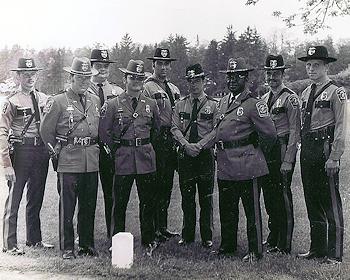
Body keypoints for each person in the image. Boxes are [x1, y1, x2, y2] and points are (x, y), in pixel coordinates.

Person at [205, 58, 277, 262]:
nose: (232, 79)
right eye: (229, 76)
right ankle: (228, 246)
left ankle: (255, 251)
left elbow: (270, 134)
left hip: (248, 165)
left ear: (246, 78)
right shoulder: (223, 102)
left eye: (237, 76)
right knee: (227, 208)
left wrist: (254, 149)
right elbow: (217, 130)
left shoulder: (254, 104)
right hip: (226, 164)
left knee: (252, 212)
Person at [40, 57, 100, 259]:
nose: (84, 81)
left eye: (87, 77)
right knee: (67, 208)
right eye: (80, 77)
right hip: (69, 160)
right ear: (71, 77)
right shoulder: (58, 101)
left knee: (88, 205)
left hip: (90, 160)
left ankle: (86, 246)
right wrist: (55, 152)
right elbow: (45, 130)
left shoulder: (95, 100)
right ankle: (67, 248)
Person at [99, 59, 161, 255]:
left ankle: (149, 240)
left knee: (148, 201)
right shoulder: (112, 104)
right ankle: (116, 239)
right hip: (123, 159)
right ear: (125, 79)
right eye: (132, 77)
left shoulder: (151, 103)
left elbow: (156, 131)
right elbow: (104, 133)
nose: (136, 81)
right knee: (120, 203)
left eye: (140, 78)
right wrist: (115, 153)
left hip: (145, 159)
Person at [297, 46, 346, 265]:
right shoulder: (306, 92)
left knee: (330, 201)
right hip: (307, 149)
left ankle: (334, 253)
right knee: (312, 199)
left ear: (326, 66)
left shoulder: (336, 92)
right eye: (308, 65)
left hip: (325, 147)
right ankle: (317, 248)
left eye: (316, 65)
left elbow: (341, 126)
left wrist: (334, 156)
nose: (311, 69)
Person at [0, 58, 54, 255]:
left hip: (40, 152)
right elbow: (2, 133)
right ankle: (9, 243)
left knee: (36, 197)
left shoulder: (44, 98)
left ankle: (34, 239)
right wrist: (6, 164)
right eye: (25, 74)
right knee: (14, 198)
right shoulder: (12, 102)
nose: (30, 78)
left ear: (37, 75)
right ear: (18, 76)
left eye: (33, 74)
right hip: (21, 151)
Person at [171, 63, 218, 248]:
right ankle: (187, 235)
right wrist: (186, 145)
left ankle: (207, 236)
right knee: (187, 198)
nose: (193, 85)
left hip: (205, 155)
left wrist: (199, 145)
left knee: (206, 199)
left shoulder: (213, 105)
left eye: (197, 80)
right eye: (190, 81)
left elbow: (216, 130)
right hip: (186, 156)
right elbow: (174, 127)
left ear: (203, 81)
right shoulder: (180, 104)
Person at [259, 54, 300, 254]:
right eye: (269, 73)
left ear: (283, 74)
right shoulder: (264, 99)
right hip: (267, 151)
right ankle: (273, 236)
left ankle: (284, 242)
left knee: (282, 196)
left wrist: (288, 160)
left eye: (276, 73)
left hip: (283, 148)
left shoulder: (290, 98)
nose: (271, 77)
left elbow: (295, 131)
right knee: (269, 196)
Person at [143, 48, 180, 241]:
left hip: (172, 139)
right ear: (153, 65)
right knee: (155, 185)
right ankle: (154, 228)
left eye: (167, 64)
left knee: (167, 185)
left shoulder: (173, 88)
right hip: (157, 137)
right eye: (160, 64)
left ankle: (163, 226)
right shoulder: (148, 87)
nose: (164, 67)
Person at [90, 49, 123, 238]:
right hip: (91, 147)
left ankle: (113, 233)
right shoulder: (85, 90)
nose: (102, 70)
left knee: (112, 192)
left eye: (105, 66)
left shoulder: (117, 91)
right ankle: (85, 233)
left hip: (110, 148)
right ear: (92, 68)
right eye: (98, 66)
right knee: (88, 193)